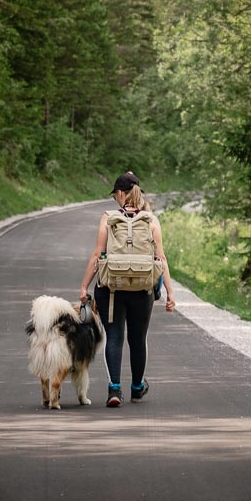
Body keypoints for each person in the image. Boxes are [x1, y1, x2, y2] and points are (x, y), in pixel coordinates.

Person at [79, 171, 176, 407]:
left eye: (115, 196)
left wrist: (84, 286)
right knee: (138, 338)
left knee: (114, 337)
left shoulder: (108, 218)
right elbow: (160, 258)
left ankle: (114, 389)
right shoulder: (151, 220)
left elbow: (97, 255)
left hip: (111, 289)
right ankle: (136, 387)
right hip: (143, 289)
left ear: (121, 194)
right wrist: (171, 294)